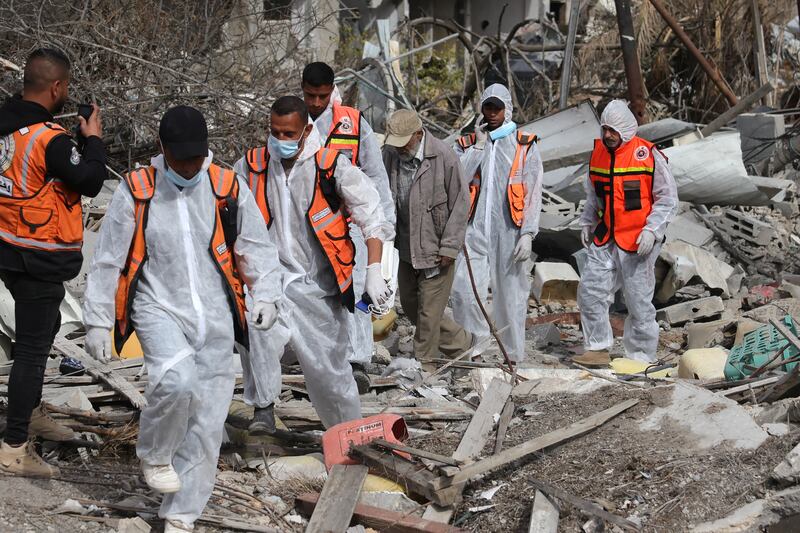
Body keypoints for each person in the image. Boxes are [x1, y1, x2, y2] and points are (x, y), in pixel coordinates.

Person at [82, 106, 281, 533]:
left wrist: (266, 295)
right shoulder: (137, 189)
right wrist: (97, 319)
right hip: (159, 306)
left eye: (196, 159)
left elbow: (256, 248)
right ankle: (154, 453)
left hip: (216, 315)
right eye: (180, 160)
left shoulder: (227, 187)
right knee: (174, 382)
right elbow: (107, 260)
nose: (190, 168)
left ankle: (180, 515)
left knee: (208, 422)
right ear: (162, 150)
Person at [235, 96, 393, 434]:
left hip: (317, 286)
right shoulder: (252, 166)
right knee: (254, 328)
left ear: (307, 130)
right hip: (271, 281)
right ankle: (263, 408)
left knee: (330, 373)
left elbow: (372, 216)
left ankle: (348, 435)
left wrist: (375, 270)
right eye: (275, 132)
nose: (280, 140)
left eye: (289, 133)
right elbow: (227, 210)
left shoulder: (330, 166)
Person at [0, 48, 107, 477]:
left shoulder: (8, 124)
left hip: (9, 244)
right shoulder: (49, 138)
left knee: (41, 337)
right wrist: (94, 139)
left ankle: (28, 411)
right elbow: (91, 179)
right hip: (36, 254)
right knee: (31, 347)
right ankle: (14, 446)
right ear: (57, 87)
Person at [301, 62, 396, 392]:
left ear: (332, 92)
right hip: (307, 223)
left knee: (356, 290)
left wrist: (385, 227)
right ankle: (320, 358)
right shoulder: (292, 123)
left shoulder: (353, 123)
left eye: (321, 96)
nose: (315, 103)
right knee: (311, 291)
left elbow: (375, 175)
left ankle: (357, 361)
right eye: (309, 96)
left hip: (350, 223)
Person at [573, 100, 677, 366]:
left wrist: (652, 231)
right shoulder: (597, 154)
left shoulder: (648, 155)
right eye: (605, 129)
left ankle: (641, 357)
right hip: (606, 235)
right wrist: (587, 220)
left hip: (637, 240)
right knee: (590, 291)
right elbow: (593, 195)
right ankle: (597, 348)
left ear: (626, 130)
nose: (607, 135)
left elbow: (667, 199)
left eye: (613, 130)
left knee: (638, 301)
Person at [450, 84, 543, 364]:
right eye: (487, 108)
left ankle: (512, 354)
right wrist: (478, 147)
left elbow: (533, 192)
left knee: (510, 294)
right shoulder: (467, 144)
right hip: (473, 230)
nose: (491, 114)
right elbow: (458, 180)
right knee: (466, 290)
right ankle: (472, 350)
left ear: (508, 109)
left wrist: (528, 233)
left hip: (509, 231)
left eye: (497, 108)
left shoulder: (524, 145)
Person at [382, 109, 473, 370]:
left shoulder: (444, 157)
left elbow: (460, 205)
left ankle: (425, 367)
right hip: (406, 248)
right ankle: (462, 343)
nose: (399, 149)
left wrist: (450, 247)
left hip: (437, 249)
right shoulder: (389, 155)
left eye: (404, 143)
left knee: (428, 314)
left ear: (419, 135)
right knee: (412, 306)